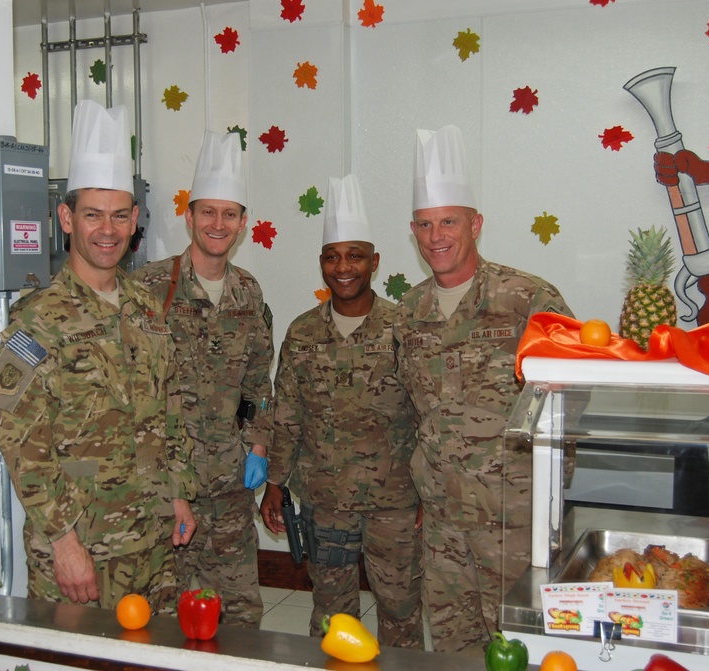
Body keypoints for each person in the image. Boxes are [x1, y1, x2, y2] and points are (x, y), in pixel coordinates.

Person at [0, 100, 196, 611]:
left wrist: (178, 490)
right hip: (83, 550)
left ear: (134, 221)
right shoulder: (34, 320)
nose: (107, 230)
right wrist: (62, 542)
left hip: (152, 542)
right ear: (66, 217)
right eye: (93, 215)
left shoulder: (147, 308)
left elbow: (169, 408)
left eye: (119, 215)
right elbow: (18, 439)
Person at [393, 125, 573, 654]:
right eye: (425, 225)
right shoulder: (408, 313)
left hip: (512, 521)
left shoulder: (528, 298)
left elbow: (567, 403)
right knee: (453, 647)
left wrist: (551, 502)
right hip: (443, 524)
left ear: (475, 223)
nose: (436, 236)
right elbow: (414, 413)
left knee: (524, 645)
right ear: (413, 231)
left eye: (448, 221)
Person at [260, 174, 423, 648]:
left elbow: (428, 414)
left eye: (354, 256)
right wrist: (274, 483)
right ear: (321, 265)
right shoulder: (303, 331)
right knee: (332, 617)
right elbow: (286, 411)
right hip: (324, 502)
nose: (343, 267)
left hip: (394, 501)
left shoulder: (403, 328)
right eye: (333, 257)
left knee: (400, 612)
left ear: (374, 261)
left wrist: (428, 494)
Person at [133, 130, 273, 628]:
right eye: (207, 212)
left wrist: (257, 445)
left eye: (229, 214)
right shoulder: (149, 288)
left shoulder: (248, 293)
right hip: (166, 489)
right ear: (188, 217)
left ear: (242, 225)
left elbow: (259, 382)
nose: (218, 224)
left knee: (239, 615)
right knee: (166, 617)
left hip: (231, 488)